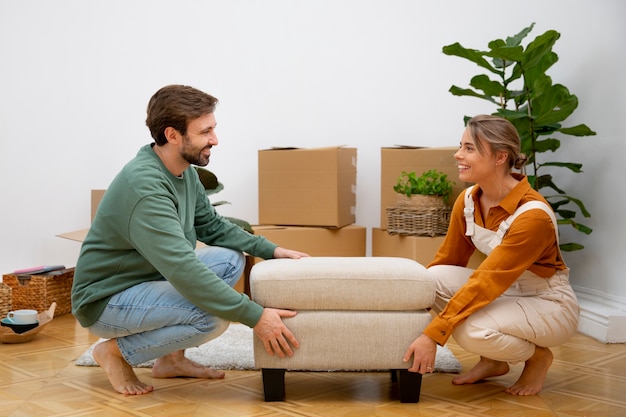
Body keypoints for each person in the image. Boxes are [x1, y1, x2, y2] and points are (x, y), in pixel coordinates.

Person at [71, 84, 309, 395]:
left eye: (213, 129)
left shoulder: (184, 172)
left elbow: (211, 226)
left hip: (146, 280)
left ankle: (170, 361)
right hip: (107, 300)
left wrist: (271, 250)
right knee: (212, 318)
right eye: (205, 131)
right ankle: (114, 353)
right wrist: (255, 316)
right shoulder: (146, 187)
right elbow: (182, 268)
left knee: (228, 258)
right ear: (172, 135)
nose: (215, 140)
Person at [403, 114, 579, 396]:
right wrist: (419, 305)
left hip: (547, 302)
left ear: (500, 157)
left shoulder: (532, 216)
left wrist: (432, 336)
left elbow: (486, 282)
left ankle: (537, 357)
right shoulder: (470, 199)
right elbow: (449, 260)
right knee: (431, 278)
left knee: (471, 330)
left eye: (470, 148)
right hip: (505, 291)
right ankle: (494, 361)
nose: (458, 154)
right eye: (461, 146)